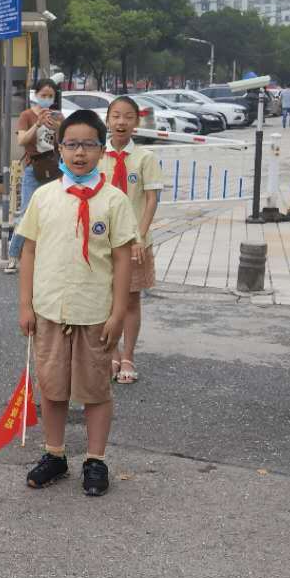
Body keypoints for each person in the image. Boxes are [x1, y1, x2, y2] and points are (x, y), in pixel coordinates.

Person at [15, 109, 136, 497]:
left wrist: (118, 313)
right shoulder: (45, 196)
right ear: (59, 147)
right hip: (51, 308)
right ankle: (55, 453)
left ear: (101, 150)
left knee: (96, 389)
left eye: (87, 144)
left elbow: (121, 260)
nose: (79, 153)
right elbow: (29, 253)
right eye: (71, 144)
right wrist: (26, 305)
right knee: (52, 387)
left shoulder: (114, 201)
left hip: (94, 312)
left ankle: (95, 459)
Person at [101, 95, 164, 384]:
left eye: (128, 116)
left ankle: (128, 356)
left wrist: (139, 236)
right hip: (103, 242)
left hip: (135, 242)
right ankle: (110, 354)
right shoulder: (98, 157)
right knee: (104, 300)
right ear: (107, 120)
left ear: (136, 122)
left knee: (130, 300)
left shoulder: (145, 158)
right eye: (116, 116)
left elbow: (151, 199)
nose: (121, 122)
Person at [5, 79, 62, 274]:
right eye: (43, 95)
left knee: (54, 213)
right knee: (26, 213)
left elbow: (63, 141)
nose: (47, 99)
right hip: (33, 167)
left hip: (54, 168)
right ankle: (13, 256)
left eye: (50, 96)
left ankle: (49, 256)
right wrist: (37, 124)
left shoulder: (58, 116)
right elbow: (22, 140)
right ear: (35, 95)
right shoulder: (27, 115)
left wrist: (56, 126)